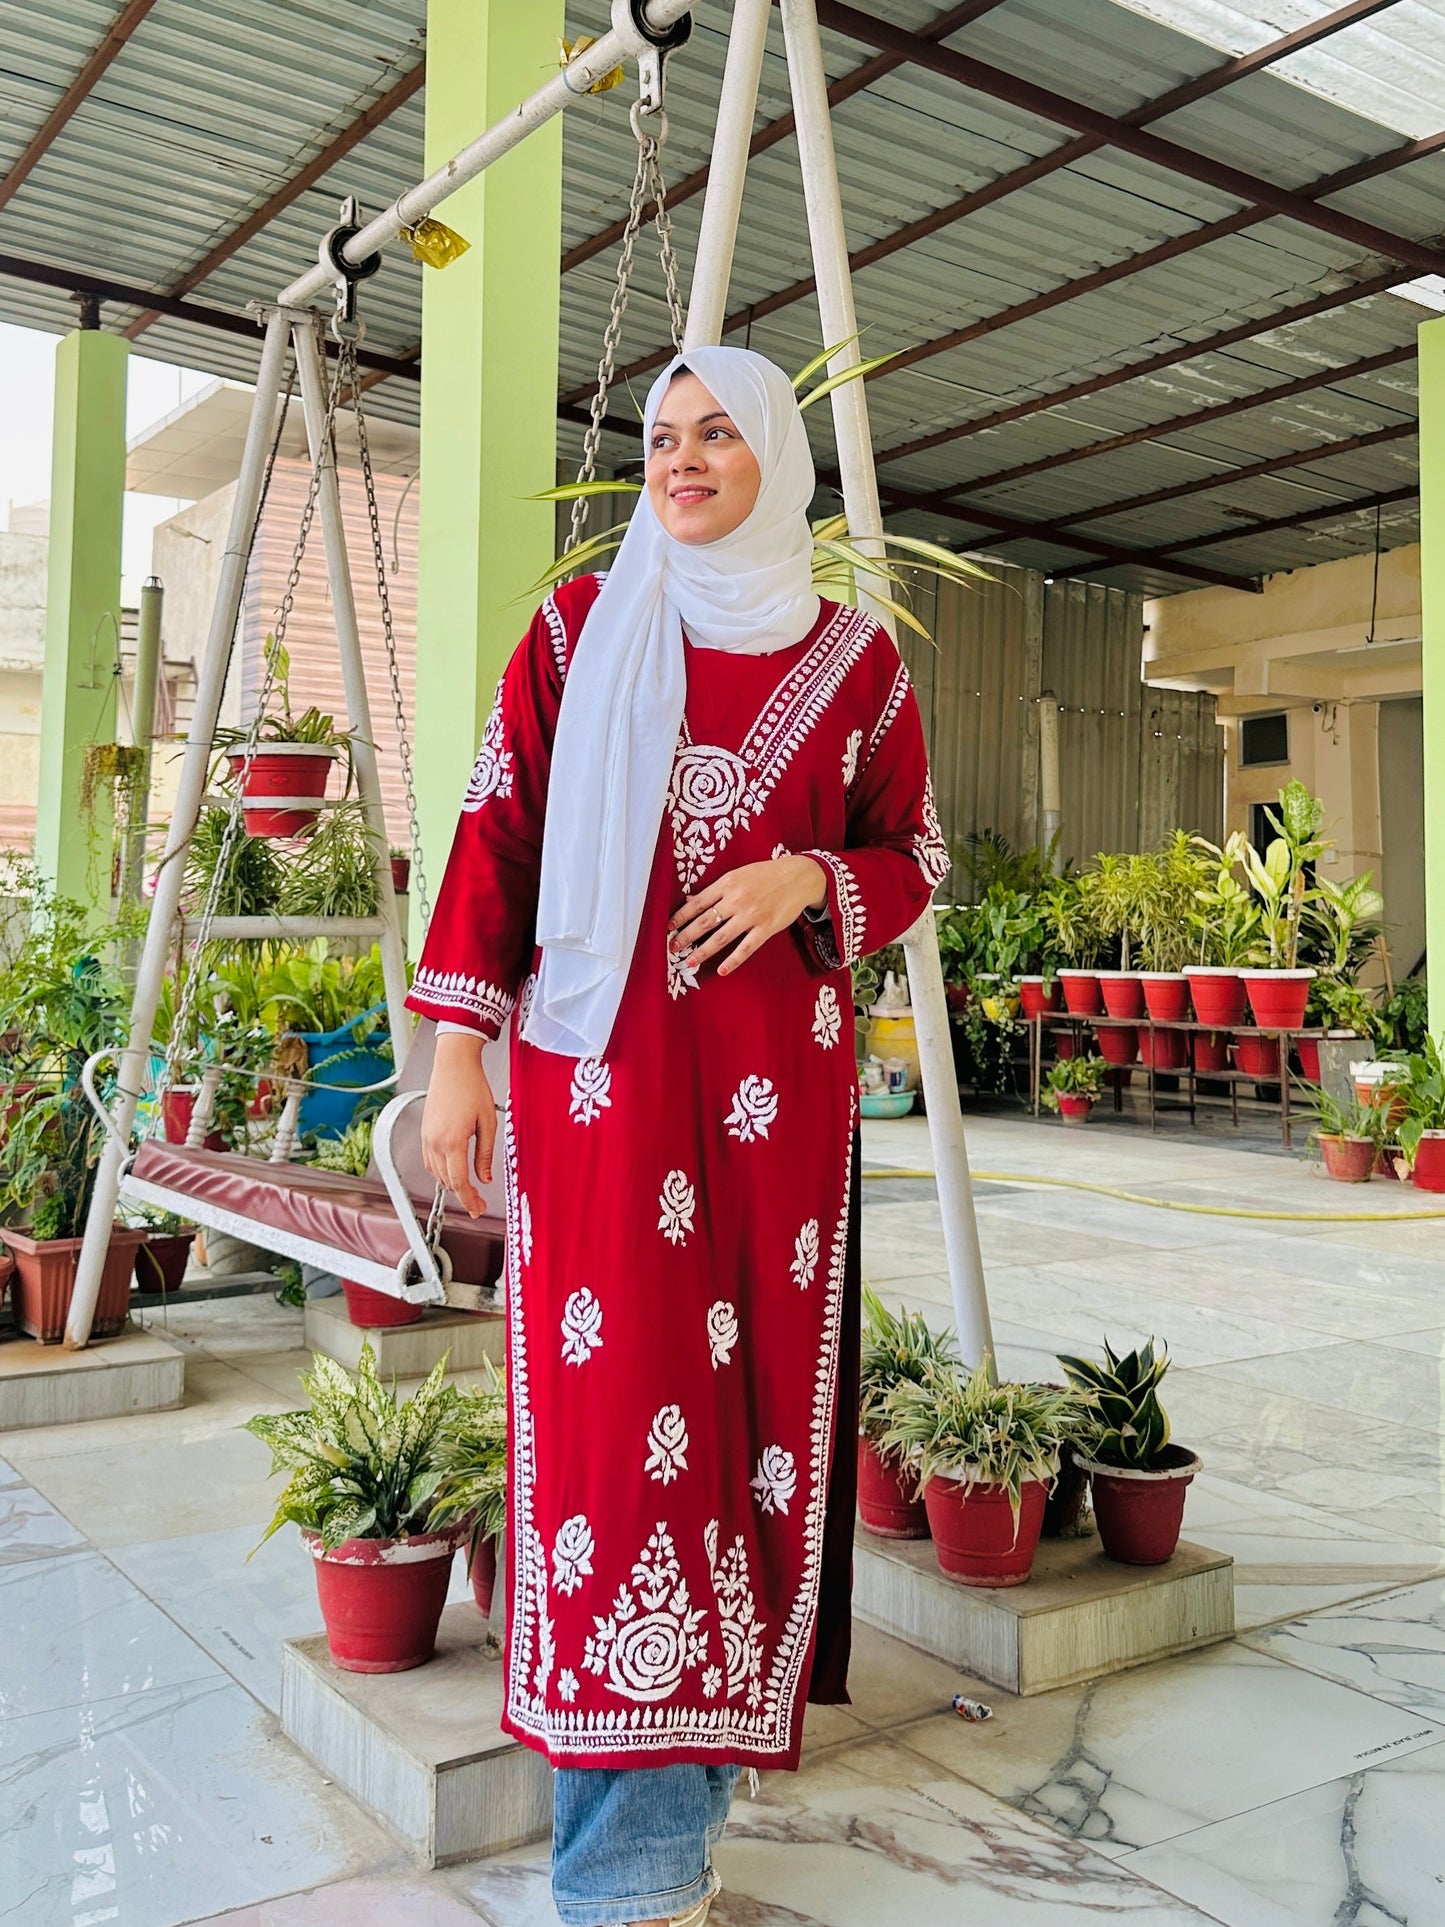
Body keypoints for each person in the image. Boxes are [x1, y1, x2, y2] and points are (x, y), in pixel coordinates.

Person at [409, 344, 947, 1927]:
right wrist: (456, 1058)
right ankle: (622, 1880)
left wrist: (805, 882)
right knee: (621, 1445)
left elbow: (909, 851)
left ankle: (685, 1825)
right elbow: (495, 830)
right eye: (662, 436)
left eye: (719, 434)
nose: (685, 458)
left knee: (754, 1442)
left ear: (775, 457)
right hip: (601, 1094)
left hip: (778, 1118)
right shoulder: (581, 627)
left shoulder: (856, 665)